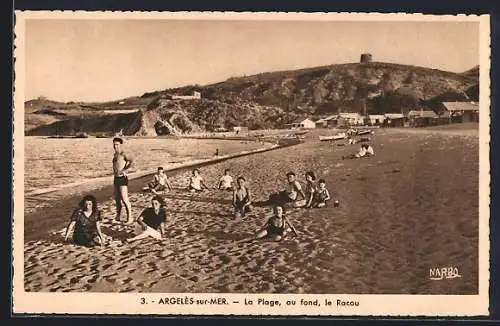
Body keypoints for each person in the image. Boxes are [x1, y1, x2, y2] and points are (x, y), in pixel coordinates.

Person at [112, 137, 134, 223]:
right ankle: (118, 217)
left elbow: (132, 161)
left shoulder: (123, 153)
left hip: (122, 178)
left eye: (117, 144)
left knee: (125, 199)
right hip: (116, 178)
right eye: (114, 144)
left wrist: (125, 170)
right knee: (117, 199)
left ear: (120, 145)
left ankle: (130, 218)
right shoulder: (115, 154)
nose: (115, 146)